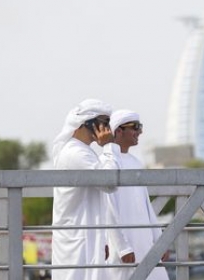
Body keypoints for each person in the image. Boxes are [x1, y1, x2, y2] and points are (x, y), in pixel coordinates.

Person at [51, 99, 134, 280]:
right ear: (88, 124)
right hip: (78, 240)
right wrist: (109, 146)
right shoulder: (75, 152)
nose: (108, 130)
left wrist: (103, 239)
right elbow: (109, 183)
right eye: (104, 123)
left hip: (86, 235)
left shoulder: (83, 151)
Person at [109, 109, 170, 280]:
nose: (140, 132)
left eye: (140, 127)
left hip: (145, 243)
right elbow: (109, 209)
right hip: (124, 248)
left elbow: (146, 206)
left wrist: (160, 241)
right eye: (135, 127)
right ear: (118, 131)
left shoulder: (135, 162)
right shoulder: (107, 162)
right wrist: (122, 247)